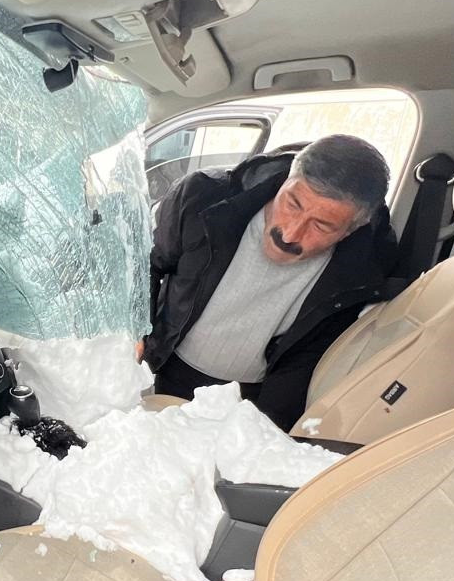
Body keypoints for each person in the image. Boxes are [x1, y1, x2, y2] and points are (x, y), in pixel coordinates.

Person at [138, 135, 399, 430]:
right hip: (167, 366)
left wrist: (268, 430)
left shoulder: (364, 266)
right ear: (286, 180)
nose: (289, 234)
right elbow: (148, 264)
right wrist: (135, 331)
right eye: (292, 203)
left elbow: (310, 353)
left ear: (352, 230)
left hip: (251, 400)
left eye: (321, 226)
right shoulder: (201, 197)